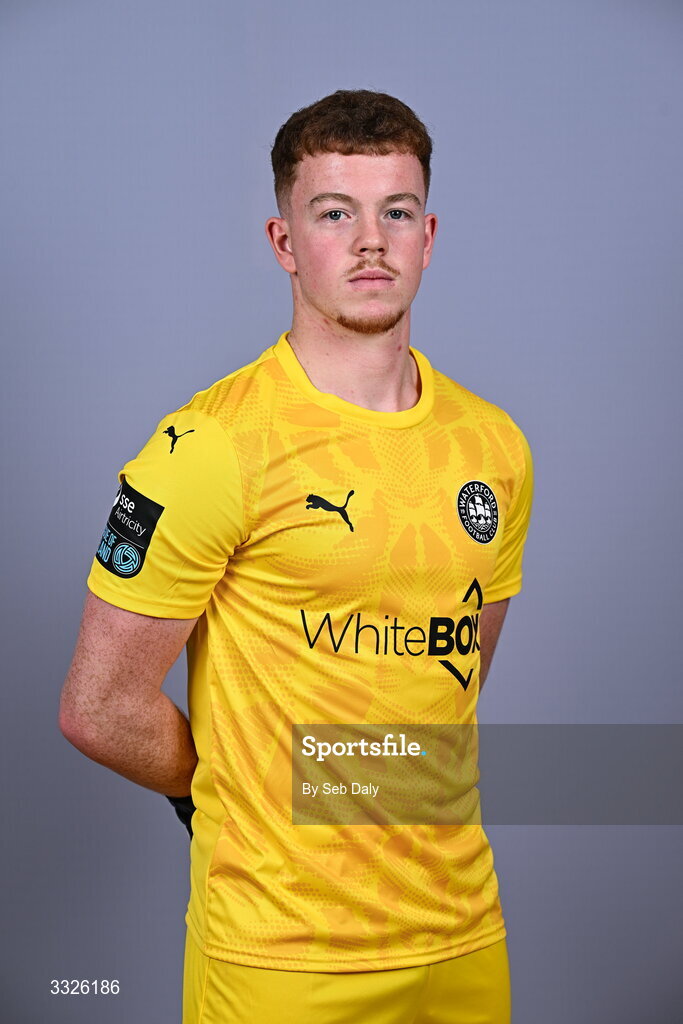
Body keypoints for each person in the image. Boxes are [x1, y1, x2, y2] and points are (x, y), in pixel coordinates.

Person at [59, 89, 533, 1024]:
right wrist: (243, 786)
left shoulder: (495, 447)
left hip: (464, 936)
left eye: (395, 211)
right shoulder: (209, 445)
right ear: (285, 242)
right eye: (333, 213)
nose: (370, 241)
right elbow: (98, 708)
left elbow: (452, 678)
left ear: (427, 236)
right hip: (282, 959)